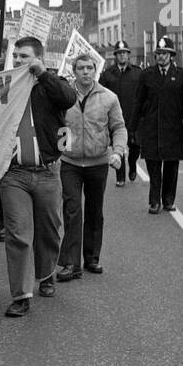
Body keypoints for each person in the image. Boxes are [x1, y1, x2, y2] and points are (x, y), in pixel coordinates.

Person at [0, 37, 77, 318]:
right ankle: (20, 295)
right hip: (14, 174)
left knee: (49, 229)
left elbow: (69, 98)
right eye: (16, 56)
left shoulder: (51, 85)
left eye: (25, 57)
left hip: (47, 172)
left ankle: (46, 275)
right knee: (18, 234)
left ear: (38, 59)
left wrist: (42, 74)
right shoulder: (6, 86)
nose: (19, 61)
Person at [56, 54, 126, 280]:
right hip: (70, 163)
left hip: (98, 163)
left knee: (95, 211)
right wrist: (60, 151)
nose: (86, 72)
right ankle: (70, 264)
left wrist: (117, 151)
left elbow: (119, 127)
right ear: (73, 71)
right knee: (72, 209)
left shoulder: (109, 98)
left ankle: (92, 258)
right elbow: (59, 126)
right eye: (81, 68)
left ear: (95, 70)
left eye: (89, 68)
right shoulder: (64, 97)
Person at [128, 34, 183, 214]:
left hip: (172, 128)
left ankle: (168, 200)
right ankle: (154, 201)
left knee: (171, 166)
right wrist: (132, 128)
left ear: (171, 55)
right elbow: (138, 102)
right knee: (153, 165)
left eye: (165, 53)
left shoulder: (180, 75)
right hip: (150, 128)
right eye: (158, 53)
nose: (161, 56)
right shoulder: (147, 75)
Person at [99, 40, 142, 186]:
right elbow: (100, 95)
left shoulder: (137, 73)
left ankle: (133, 164)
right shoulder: (107, 74)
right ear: (115, 56)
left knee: (135, 147)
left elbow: (143, 95)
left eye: (124, 53)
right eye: (119, 53)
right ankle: (120, 176)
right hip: (115, 118)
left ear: (128, 55)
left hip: (133, 117)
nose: (122, 56)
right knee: (119, 147)